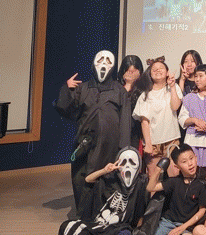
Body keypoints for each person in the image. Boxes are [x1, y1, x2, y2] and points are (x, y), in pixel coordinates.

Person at [56, 50, 131, 214]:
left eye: (108, 60)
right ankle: (84, 214)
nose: (104, 63)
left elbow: (125, 120)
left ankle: (103, 213)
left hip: (110, 146)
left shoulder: (119, 91)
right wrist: (67, 89)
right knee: (82, 177)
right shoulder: (82, 88)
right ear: (93, 63)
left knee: (107, 177)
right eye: (100, 59)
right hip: (85, 143)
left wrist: (124, 148)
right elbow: (65, 109)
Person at [59, 146, 149, 235]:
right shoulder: (111, 179)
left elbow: (142, 211)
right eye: (123, 163)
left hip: (118, 228)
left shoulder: (140, 183)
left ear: (138, 166)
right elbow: (88, 179)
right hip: (99, 224)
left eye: (132, 162)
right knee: (66, 226)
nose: (127, 166)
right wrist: (104, 170)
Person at [133, 57, 183, 178]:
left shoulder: (174, 88)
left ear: (167, 72)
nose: (158, 70)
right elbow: (144, 122)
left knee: (174, 175)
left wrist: (172, 87)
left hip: (172, 140)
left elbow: (175, 106)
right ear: (150, 74)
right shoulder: (145, 95)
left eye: (161, 68)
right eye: (154, 69)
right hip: (153, 144)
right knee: (153, 177)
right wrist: (148, 144)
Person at [147, 144, 206, 235]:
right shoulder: (174, 182)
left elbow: (202, 210)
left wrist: (183, 227)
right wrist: (158, 168)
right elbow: (150, 187)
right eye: (184, 161)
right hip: (167, 223)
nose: (190, 163)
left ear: (196, 158)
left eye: (191, 158)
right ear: (177, 166)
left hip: (187, 226)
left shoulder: (201, 185)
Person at [118, 55, 145, 149]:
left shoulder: (144, 89)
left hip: (137, 133)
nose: (130, 74)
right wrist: (128, 84)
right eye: (128, 71)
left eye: (133, 71)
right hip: (118, 132)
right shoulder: (116, 87)